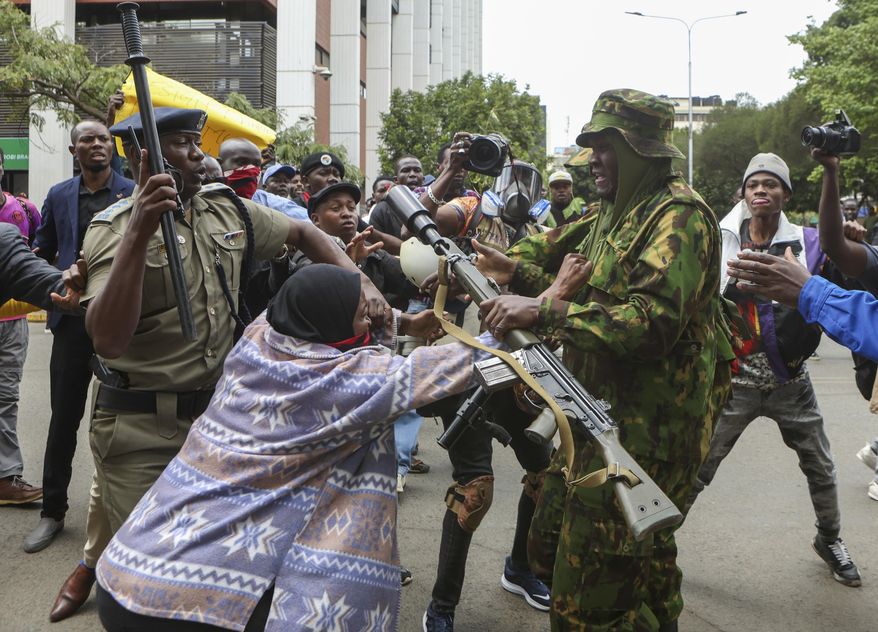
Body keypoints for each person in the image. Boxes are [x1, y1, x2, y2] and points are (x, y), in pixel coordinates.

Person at [47, 107, 389, 623]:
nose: (198, 155)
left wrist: (358, 280)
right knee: (151, 587)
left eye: (195, 142)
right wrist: (141, 227)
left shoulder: (223, 211)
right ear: (143, 157)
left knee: (226, 569)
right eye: (183, 144)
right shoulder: (113, 230)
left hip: (221, 426)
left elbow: (302, 234)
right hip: (142, 432)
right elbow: (109, 340)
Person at [93, 263, 502, 631]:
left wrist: (406, 321)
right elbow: (464, 363)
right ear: (334, 322)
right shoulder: (347, 381)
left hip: (127, 569)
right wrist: (544, 303)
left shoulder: (256, 341)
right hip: (187, 607)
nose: (371, 318)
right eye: (363, 310)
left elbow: (318, 309)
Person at [466, 89, 733, 631]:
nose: (592, 162)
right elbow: (546, 258)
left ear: (639, 150)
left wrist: (542, 312)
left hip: (647, 433)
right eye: (589, 148)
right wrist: (506, 271)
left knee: (587, 599)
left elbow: (649, 325)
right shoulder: (613, 211)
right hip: (597, 418)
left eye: (604, 147)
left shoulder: (678, 217)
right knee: (626, 565)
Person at [687, 152, 861, 588]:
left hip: (791, 381)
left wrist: (851, 243)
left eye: (771, 184)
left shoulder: (811, 241)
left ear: (785, 193)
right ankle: (658, 538)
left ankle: (830, 539)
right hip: (736, 379)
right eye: (753, 184)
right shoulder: (721, 237)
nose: (761, 190)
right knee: (699, 465)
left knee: (820, 466)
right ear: (743, 194)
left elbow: (845, 289)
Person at [25, 120, 135, 554]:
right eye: (87, 139)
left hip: (122, 322)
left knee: (126, 423)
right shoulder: (58, 195)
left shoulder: (133, 193)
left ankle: (127, 514)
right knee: (64, 419)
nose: (96, 145)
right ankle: (52, 511)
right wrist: (52, 281)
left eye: (103, 139)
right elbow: (45, 245)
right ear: (74, 150)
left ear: (113, 148)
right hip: (71, 325)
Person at [0, 160, 43, 506]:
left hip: (11, 322)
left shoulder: (25, 210)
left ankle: (5, 477)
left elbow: (41, 253)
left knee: (4, 398)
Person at [218, 138, 308, 221]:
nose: (251, 170)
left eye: (256, 164)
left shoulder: (270, 203)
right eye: (242, 162)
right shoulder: (206, 199)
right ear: (219, 164)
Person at [369, 156, 426, 239]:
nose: (412, 174)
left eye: (417, 170)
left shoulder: (434, 203)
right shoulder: (382, 209)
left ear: (423, 179)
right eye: (406, 170)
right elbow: (376, 245)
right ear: (396, 180)